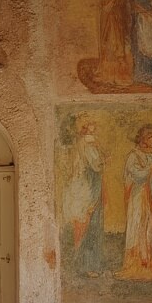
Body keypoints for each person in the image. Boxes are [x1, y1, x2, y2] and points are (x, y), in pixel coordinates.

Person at [116, 125, 152, 281]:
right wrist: (151, 170)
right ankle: (132, 265)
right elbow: (136, 175)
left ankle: (146, 263)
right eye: (150, 137)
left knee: (147, 228)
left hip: (149, 196)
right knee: (136, 226)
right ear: (143, 138)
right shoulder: (134, 155)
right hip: (137, 196)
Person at [61, 114, 106, 278]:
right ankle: (86, 264)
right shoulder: (87, 144)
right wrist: (104, 160)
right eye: (91, 125)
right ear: (85, 128)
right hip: (88, 186)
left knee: (83, 224)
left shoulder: (80, 145)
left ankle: (84, 263)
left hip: (82, 187)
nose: (94, 128)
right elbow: (96, 165)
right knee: (89, 224)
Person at [93, 0, 131, 86]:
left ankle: (119, 71)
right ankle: (106, 71)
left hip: (117, 10)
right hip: (106, 7)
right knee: (107, 36)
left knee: (118, 36)